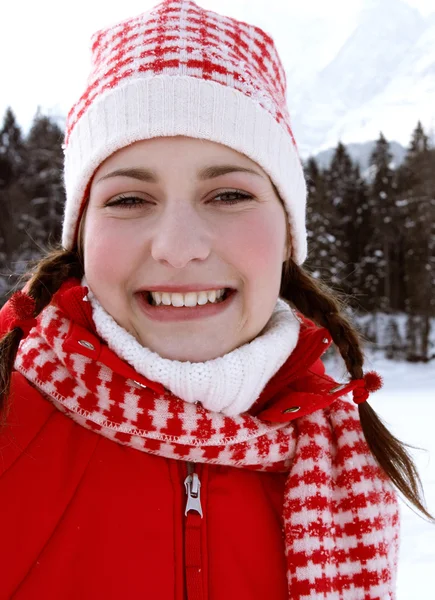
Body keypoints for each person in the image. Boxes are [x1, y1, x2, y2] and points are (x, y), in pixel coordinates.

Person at [0, 1, 431, 598]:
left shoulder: (339, 462)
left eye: (228, 195)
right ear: (81, 235)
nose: (178, 248)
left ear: (287, 231)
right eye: (129, 200)